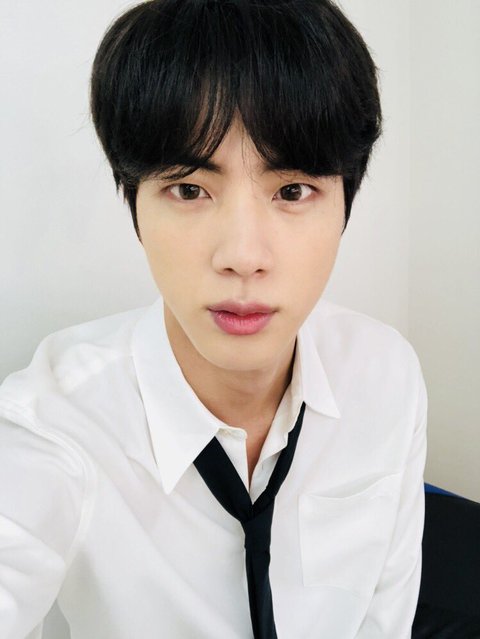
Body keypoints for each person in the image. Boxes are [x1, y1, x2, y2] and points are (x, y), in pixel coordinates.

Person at [0, 1, 428, 637]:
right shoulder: (53, 427)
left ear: (345, 203)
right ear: (135, 203)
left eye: (292, 191)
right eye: (190, 189)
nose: (243, 257)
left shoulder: (384, 375)